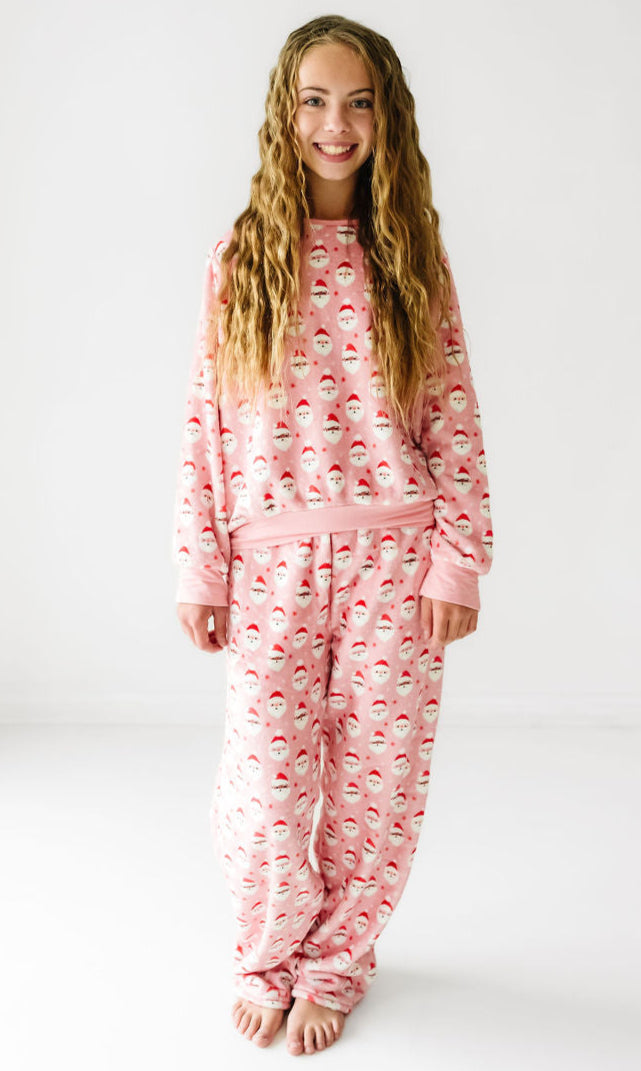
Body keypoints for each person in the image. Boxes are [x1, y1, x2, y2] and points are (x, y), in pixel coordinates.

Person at [172, 13, 494, 1057]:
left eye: (357, 102)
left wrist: (456, 561)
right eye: (314, 100)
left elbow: (451, 416)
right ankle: (267, 949)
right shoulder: (240, 258)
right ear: (284, 114)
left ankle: (337, 961)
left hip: (394, 560)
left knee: (376, 782)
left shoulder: (412, 260)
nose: (335, 123)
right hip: (270, 560)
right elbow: (206, 424)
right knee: (265, 784)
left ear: (386, 117)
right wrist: (201, 563)